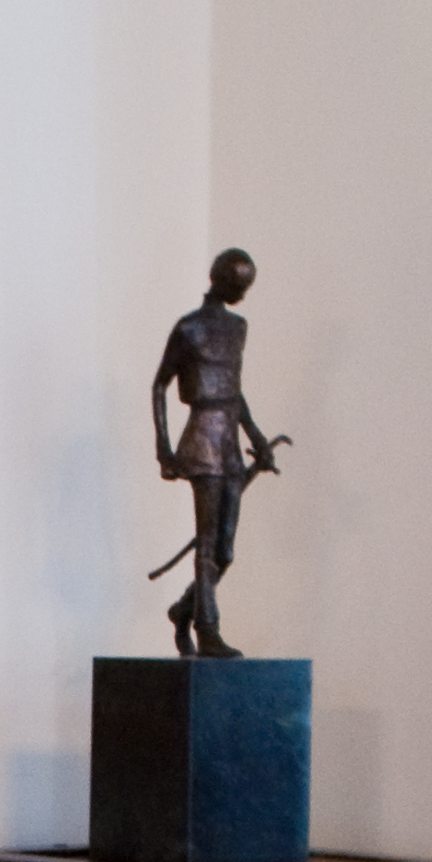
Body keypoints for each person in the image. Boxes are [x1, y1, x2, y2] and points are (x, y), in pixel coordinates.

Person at [151, 248, 281, 658]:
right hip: (202, 438)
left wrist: (256, 436)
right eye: (240, 285)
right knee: (207, 545)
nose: (243, 294)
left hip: (228, 443)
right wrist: (164, 449)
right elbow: (160, 384)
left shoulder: (238, 328)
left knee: (224, 551)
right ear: (222, 281)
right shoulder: (188, 328)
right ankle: (207, 629)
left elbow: (233, 391)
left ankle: (184, 608)